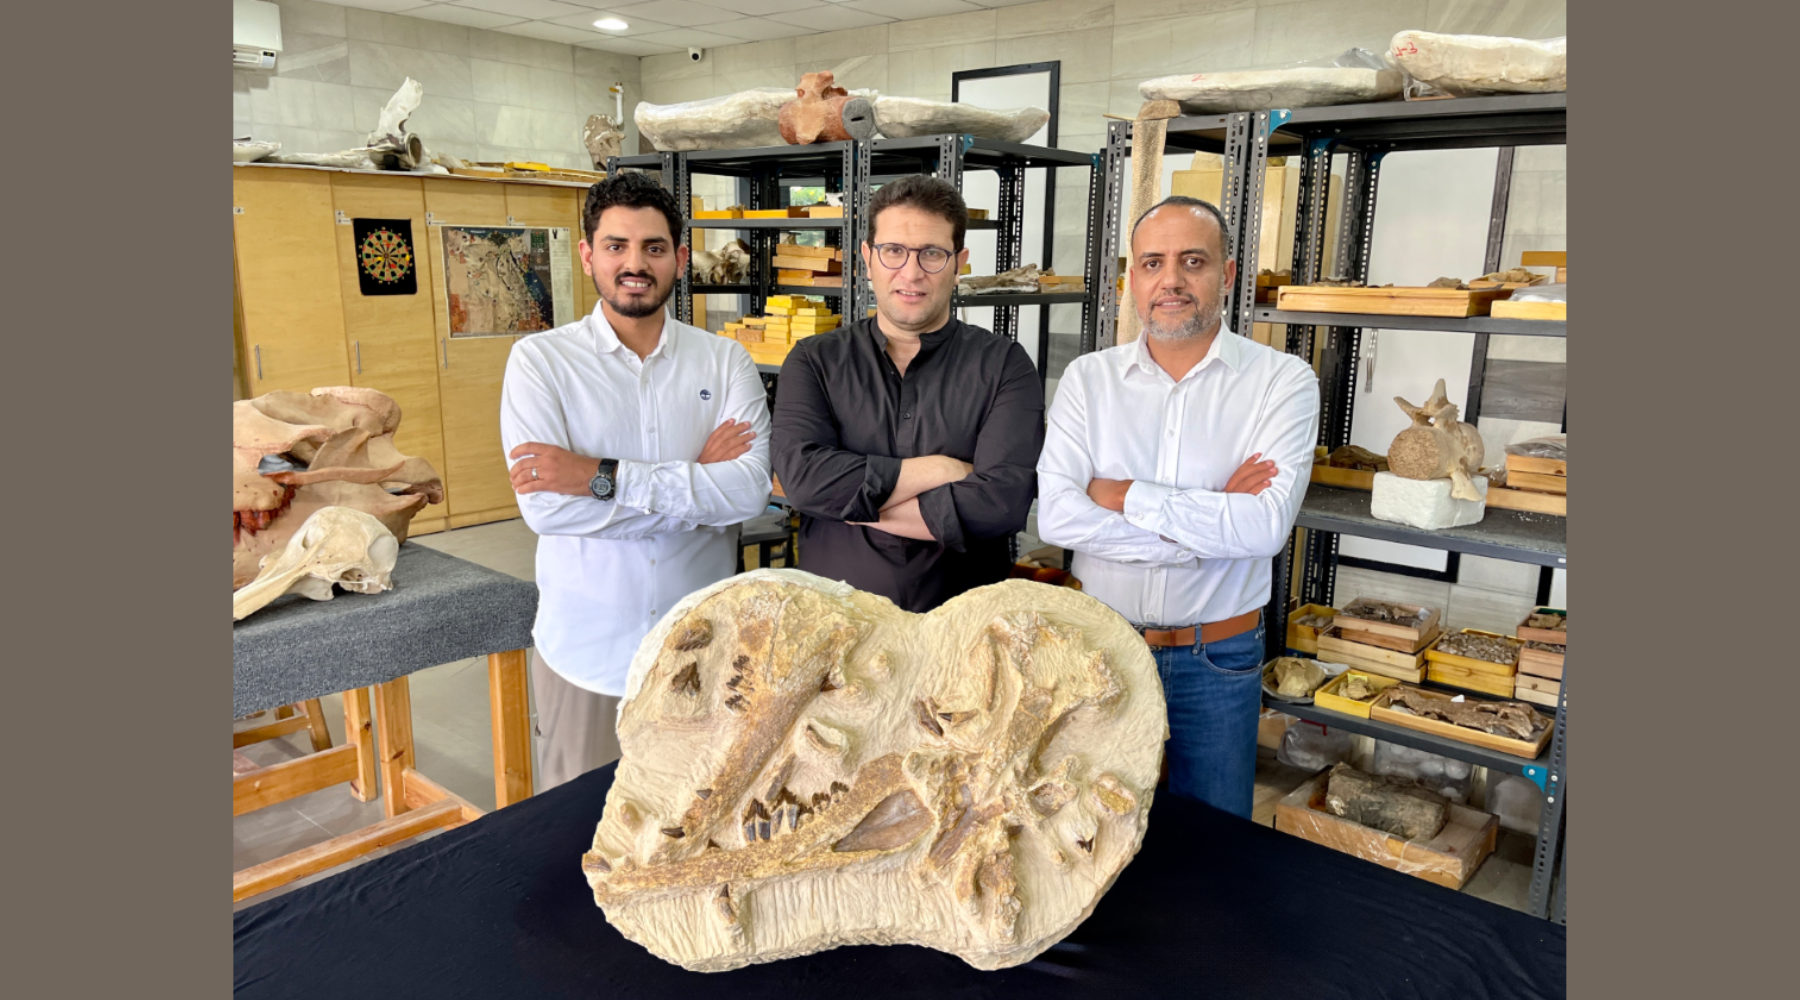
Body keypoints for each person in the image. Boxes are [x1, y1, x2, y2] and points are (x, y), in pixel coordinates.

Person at [1035, 195, 1320, 819]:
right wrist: (1212, 515)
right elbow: (1056, 516)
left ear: (1228, 274)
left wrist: (1125, 495)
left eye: (1193, 261)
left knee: (1213, 842)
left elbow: (1265, 527)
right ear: (1130, 277)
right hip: (1101, 644)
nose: (1171, 280)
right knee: (1087, 828)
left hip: (1216, 658)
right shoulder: (1089, 379)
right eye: (1152, 262)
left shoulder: (1282, 381)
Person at [500, 172, 772, 790]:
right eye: (617, 245)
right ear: (588, 254)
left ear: (679, 257)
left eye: (653, 247)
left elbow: (747, 492)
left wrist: (600, 477)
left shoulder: (723, 360)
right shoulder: (541, 362)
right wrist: (697, 485)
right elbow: (546, 511)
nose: (635, 264)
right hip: (587, 655)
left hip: (699, 655)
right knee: (578, 835)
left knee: (691, 827)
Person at [771, 175, 1043, 613]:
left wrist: (848, 506)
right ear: (867, 259)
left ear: (959, 263)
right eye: (893, 251)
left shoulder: (1004, 364)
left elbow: (1002, 504)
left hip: (966, 636)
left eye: (932, 254)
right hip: (837, 629)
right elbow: (805, 482)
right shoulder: (814, 361)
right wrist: (941, 469)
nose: (911, 272)